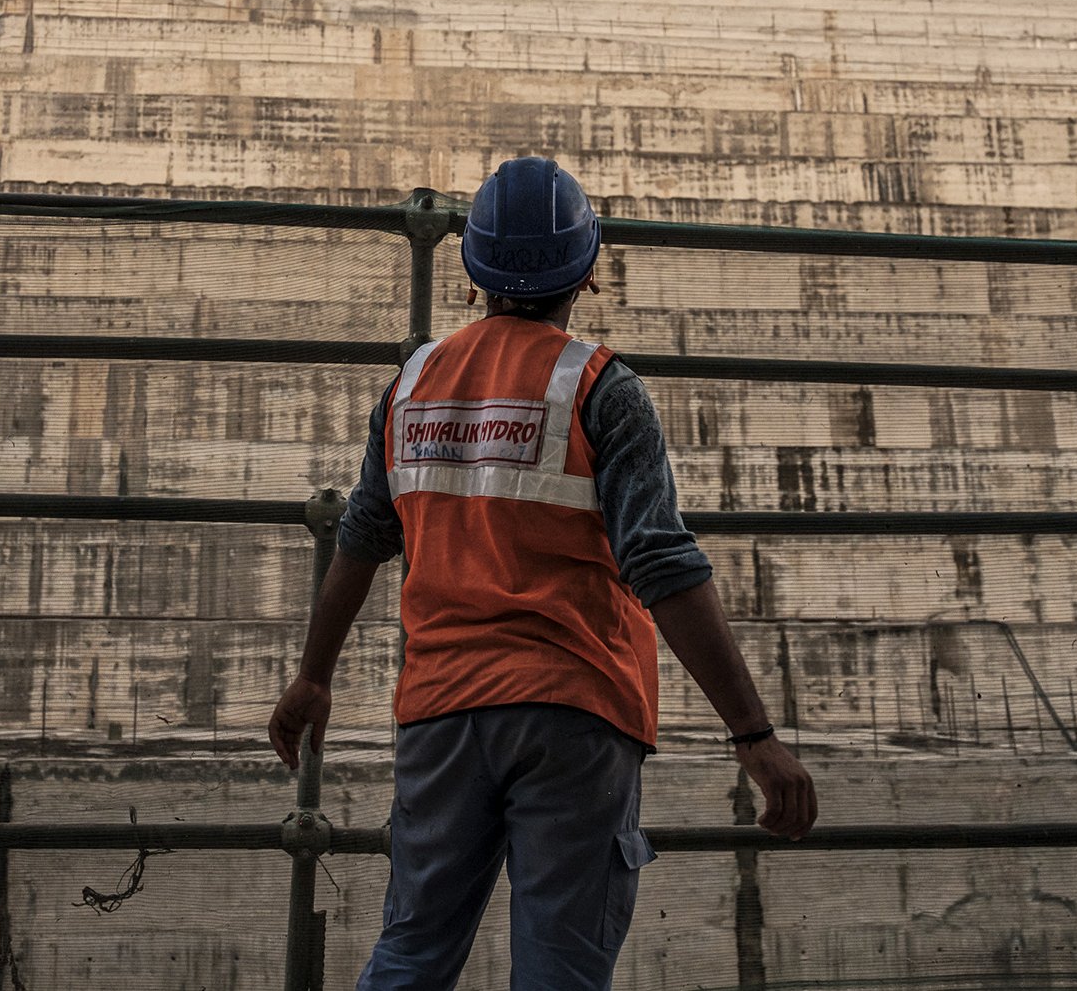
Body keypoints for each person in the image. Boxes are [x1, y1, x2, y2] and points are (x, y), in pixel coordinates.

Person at [269, 157, 817, 989]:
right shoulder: (601, 387)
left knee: (412, 951)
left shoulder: (410, 387)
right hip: (575, 707)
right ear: (587, 271)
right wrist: (754, 736)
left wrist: (313, 676)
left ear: (471, 271)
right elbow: (661, 562)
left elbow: (362, 536)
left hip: (441, 710)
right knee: (560, 968)